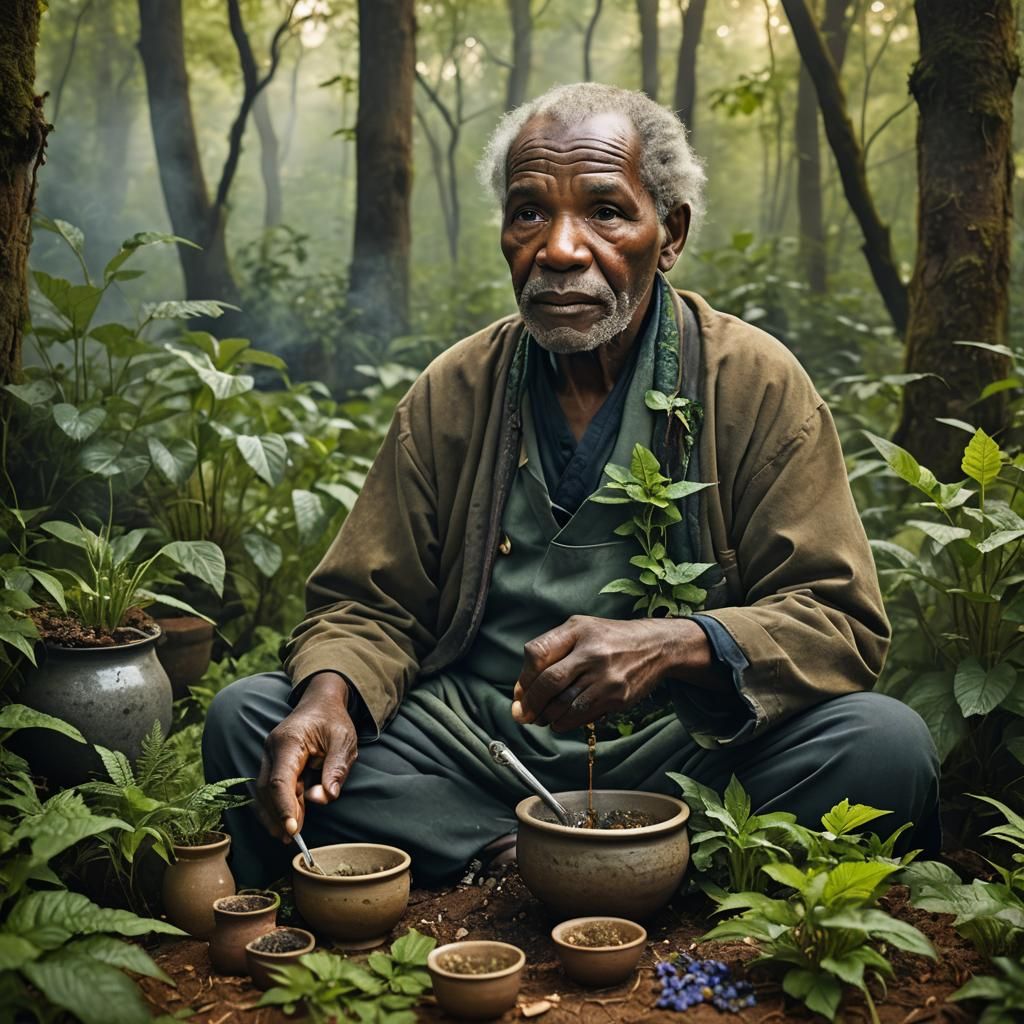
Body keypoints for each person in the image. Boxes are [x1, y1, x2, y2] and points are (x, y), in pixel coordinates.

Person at [204, 83, 940, 888]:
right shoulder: (456, 390)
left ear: (671, 235)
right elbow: (366, 604)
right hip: (475, 749)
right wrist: (331, 692)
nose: (559, 248)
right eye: (528, 213)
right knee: (252, 720)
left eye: (605, 212)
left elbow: (837, 618)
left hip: (680, 753)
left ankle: (594, 852)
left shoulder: (753, 382)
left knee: (884, 745)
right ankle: (539, 855)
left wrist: (674, 644)